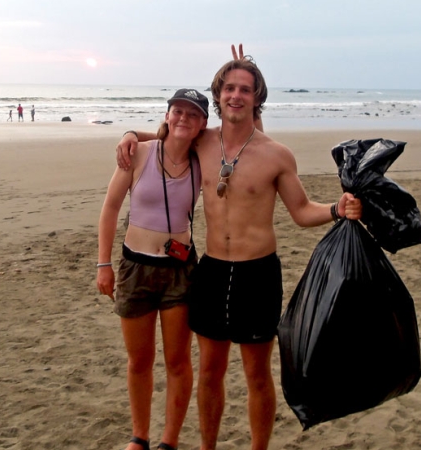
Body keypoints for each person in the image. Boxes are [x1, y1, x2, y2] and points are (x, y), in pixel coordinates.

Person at [116, 46, 362, 450]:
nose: (235, 95)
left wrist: (338, 208)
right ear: (218, 96)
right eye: (229, 88)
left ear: (257, 97)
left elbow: (301, 211)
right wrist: (130, 133)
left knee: (257, 374)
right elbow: (169, 134)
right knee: (210, 372)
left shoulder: (276, 155)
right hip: (211, 271)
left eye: (245, 89)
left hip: (258, 273)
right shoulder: (203, 142)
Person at [98, 88, 210, 450]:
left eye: (192, 114)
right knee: (139, 360)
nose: (183, 118)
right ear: (166, 115)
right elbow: (111, 208)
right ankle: (139, 436)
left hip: (179, 271)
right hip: (135, 267)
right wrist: (104, 264)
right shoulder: (139, 154)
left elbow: (244, 139)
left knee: (178, 361)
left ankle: (169, 441)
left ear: (202, 125)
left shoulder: (202, 159)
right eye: (177, 111)